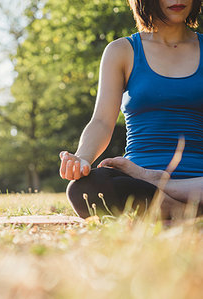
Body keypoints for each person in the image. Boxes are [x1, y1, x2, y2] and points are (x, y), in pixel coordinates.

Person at [59, 0, 203, 219]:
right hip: (137, 183)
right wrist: (82, 158)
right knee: (85, 188)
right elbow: (102, 122)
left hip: (197, 183)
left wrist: (160, 182)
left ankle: (165, 199)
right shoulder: (121, 51)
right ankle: (186, 214)